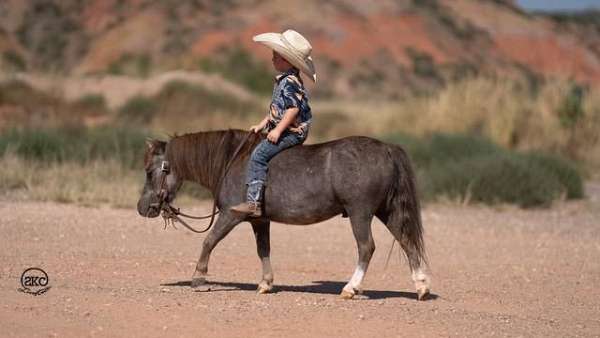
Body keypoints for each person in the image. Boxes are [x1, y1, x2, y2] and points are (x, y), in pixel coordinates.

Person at [230, 29, 317, 217]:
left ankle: (254, 203)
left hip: (293, 131)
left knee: (258, 155)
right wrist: (262, 124)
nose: (272, 59)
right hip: (284, 126)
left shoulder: (290, 82)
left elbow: (292, 109)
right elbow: (277, 109)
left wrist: (277, 131)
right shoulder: (284, 80)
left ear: (286, 60)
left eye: (275, 56)